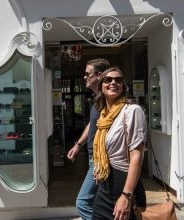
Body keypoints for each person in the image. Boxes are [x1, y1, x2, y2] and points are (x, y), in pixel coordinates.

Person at [91, 67, 147, 220]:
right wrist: (99, 165)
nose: (113, 82)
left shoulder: (132, 111)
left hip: (123, 185)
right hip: (104, 186)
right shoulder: (103, 115)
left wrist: (126, 196)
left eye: (118, 80)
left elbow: (137, 157)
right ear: (101, 86)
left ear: (123, 86)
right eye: (108, 80)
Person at [66, 58, 110, 220]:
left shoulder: (107, 99)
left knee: (83, 202)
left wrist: (103, 160)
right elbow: (92, 125)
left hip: (101, 160)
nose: (85, 77)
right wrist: (78, 145)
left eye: (87, 74)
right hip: (95, 158)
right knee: (99, 202)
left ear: (98, 75)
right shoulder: (97, 99)